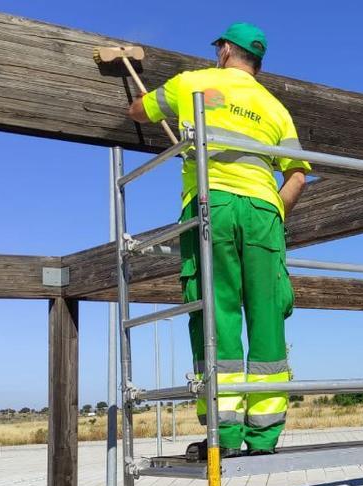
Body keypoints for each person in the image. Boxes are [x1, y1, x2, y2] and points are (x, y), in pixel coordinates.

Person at [127, 22, 309, 456]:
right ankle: (263, 437)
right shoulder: (276, 108)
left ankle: (223, 437)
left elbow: (138, 111)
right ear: (256, 62)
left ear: (226, 50)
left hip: (213, 205)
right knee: (267, 315)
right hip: (264, 208)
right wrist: (273, 210)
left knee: (217, 312)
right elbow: (299, 175)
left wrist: (138, 93)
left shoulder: (195, 83)